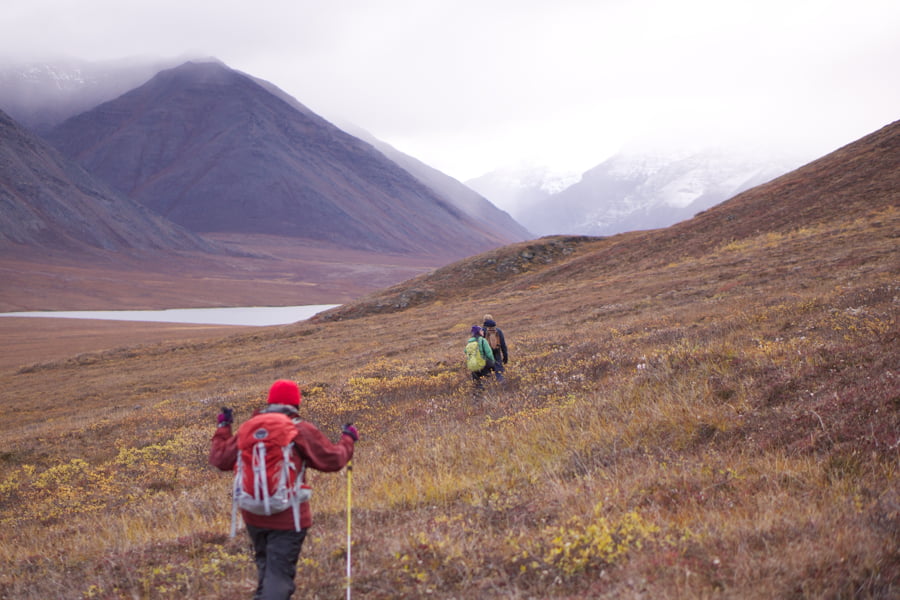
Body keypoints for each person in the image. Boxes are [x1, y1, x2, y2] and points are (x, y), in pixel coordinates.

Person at [209, 379, 357, 600]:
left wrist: (223, 428)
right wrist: (348, 439)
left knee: (266, 568)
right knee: (279, 577)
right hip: (290, 518)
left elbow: (219, 459)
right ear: (296, 404)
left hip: (253, 514)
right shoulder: (299, 429)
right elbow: (333, 461)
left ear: (270, 401)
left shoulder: (249, 428)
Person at [466, 325, 495, 393]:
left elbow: (465, 351)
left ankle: (478, 397)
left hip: (473, 366)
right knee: (487, 382)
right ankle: (488, 396)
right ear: (478, 332)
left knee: (477, 383)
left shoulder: (470, 342)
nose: (483, 332)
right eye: (481, 330)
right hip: (483, 364)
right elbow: (489, 353)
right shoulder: (482, 340)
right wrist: (492, 361)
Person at [482, 314, 509, 382]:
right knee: (499, 373)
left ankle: (490, 389)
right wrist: (505, 357)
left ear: (484, 321)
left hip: (486, 356)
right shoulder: (498, 331)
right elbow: (503, 345)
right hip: (497, 353)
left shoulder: (482, 331)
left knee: (487, 375)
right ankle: (502, 387)